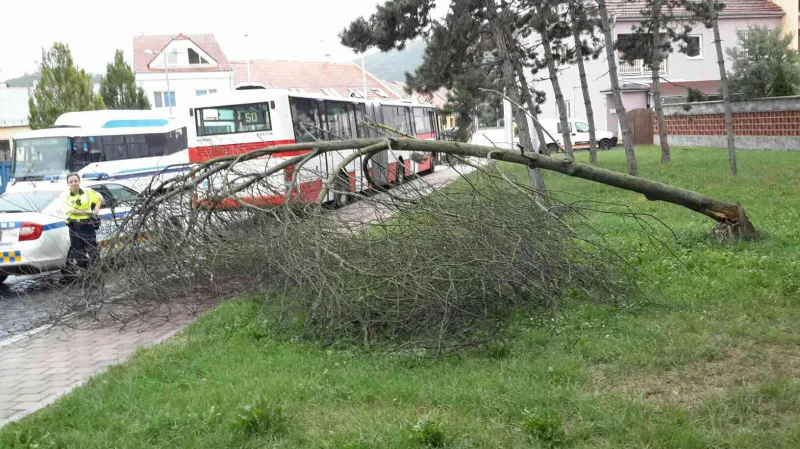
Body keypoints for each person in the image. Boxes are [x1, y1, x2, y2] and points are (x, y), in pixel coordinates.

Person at [62, 173, 103, 277]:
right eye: (71, 182)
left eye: (75, 181)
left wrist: (97, 208)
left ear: (79, 181)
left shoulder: (87, 192)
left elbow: (99, 197)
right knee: (78, 253)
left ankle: (96, 274)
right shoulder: (66, 196)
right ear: (68, 184)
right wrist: (85, 212)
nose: (74, 183)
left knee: (93, 251)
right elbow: (71, 211)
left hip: (88, 225)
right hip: (75, 227)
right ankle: (86, 275)